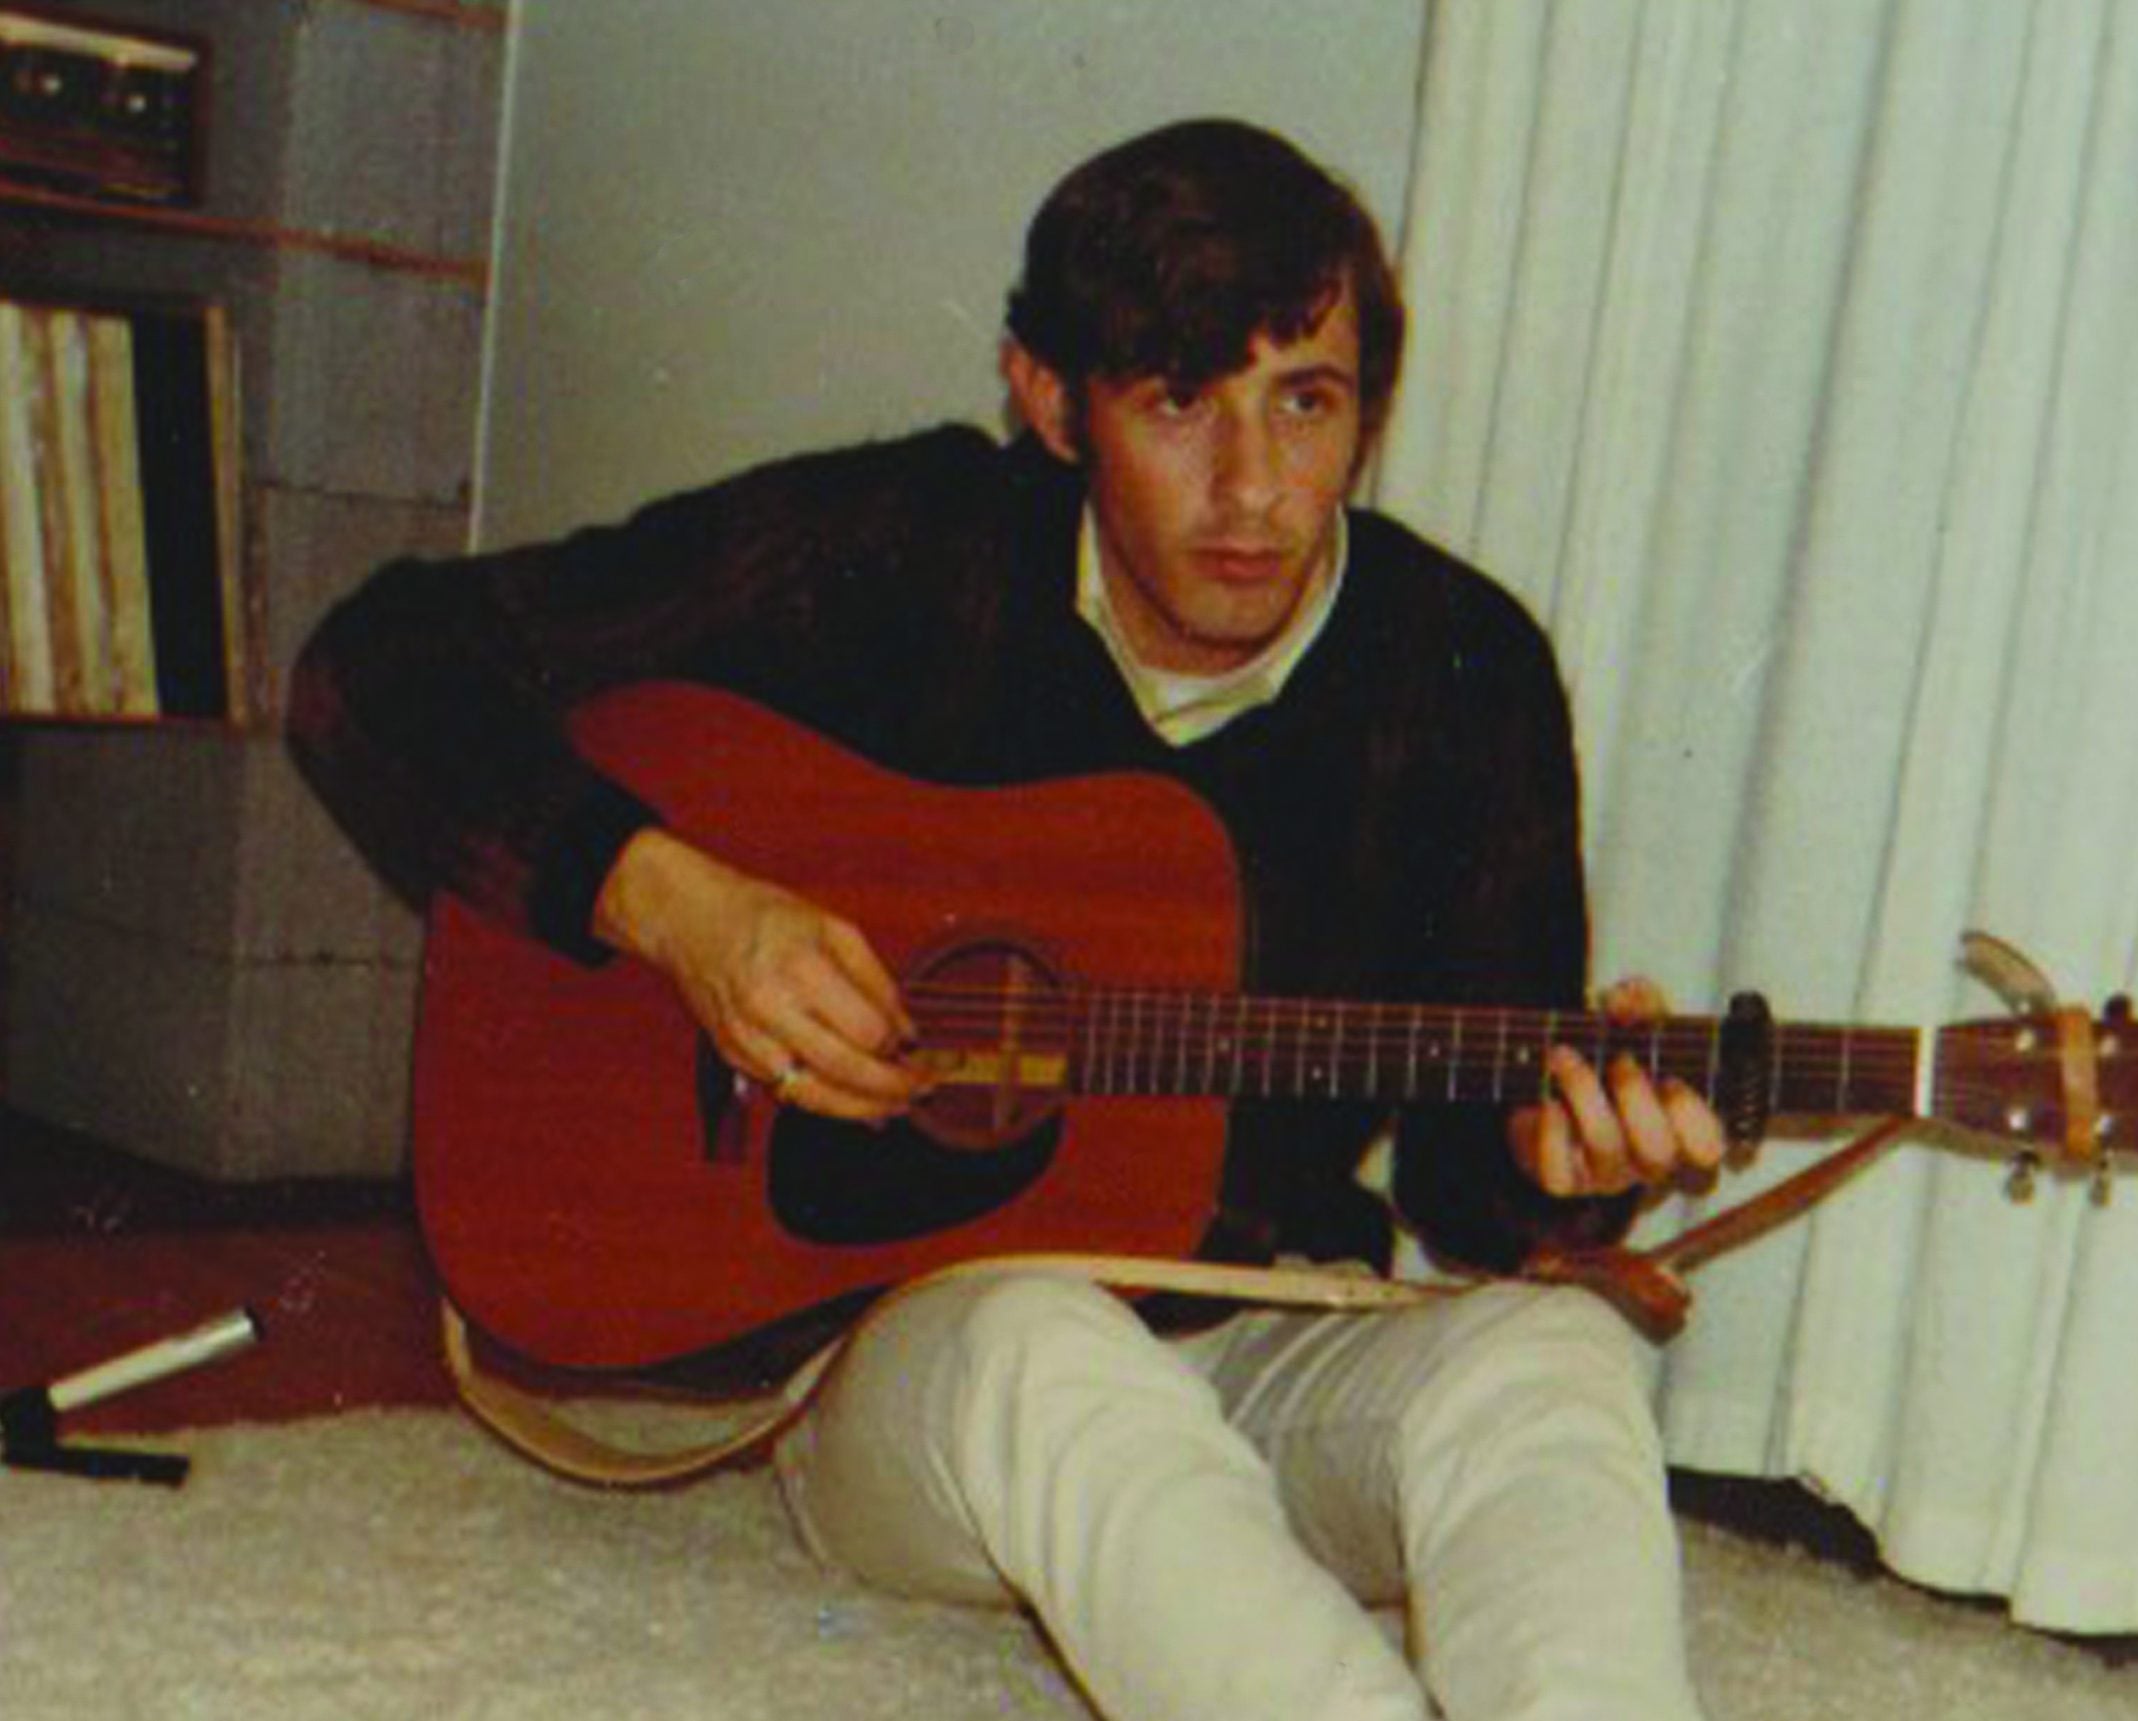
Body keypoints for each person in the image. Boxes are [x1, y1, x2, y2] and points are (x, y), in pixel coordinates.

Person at [290, 118, 1724, 1720]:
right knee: (1043, 1335)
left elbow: (1472, 1172)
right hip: (920, 1374)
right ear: (1050, 400)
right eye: (1181, 402)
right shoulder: (904, 548)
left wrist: (1561, 1173)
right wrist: (686, 910)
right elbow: (375, 668)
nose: (1256, 487)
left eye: (1306, 404)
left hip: (1265, 1343)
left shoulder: (1465, 664)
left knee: (1564, 1358)